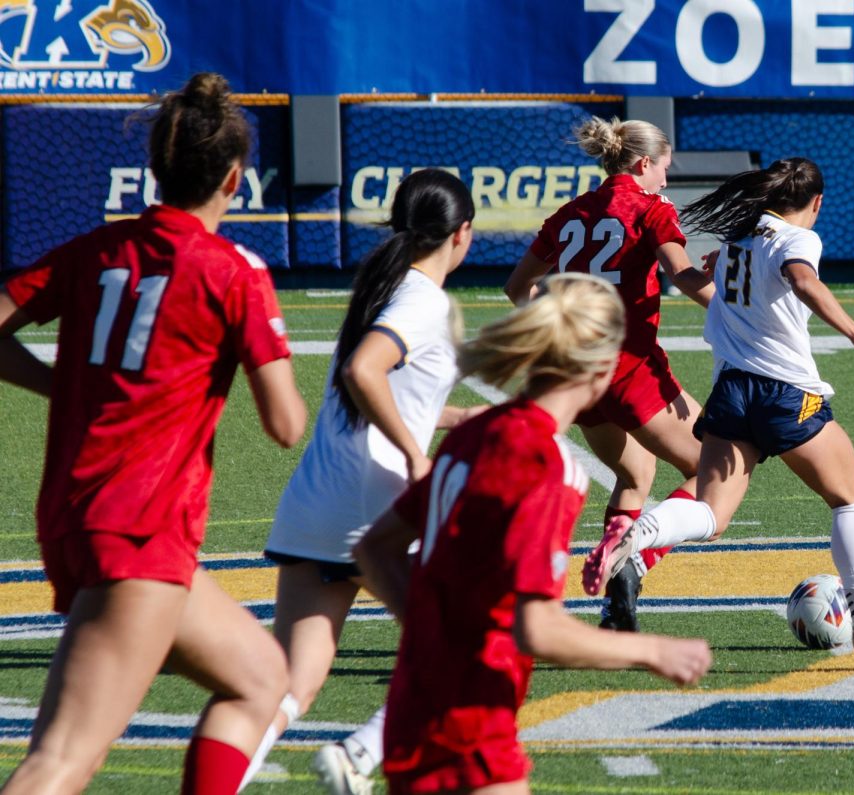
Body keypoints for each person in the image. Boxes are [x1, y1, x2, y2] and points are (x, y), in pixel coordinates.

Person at [0, 73, 307, 794]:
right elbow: (286, 424)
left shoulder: (95, 250)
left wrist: (61, 383)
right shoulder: (233, 272)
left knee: (261, 679)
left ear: (156, 170)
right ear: (237, 178)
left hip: (92, 521)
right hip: (139, 530)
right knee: (64, 758)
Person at [354, 272, 712, 795]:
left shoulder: (478, 431)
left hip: (416, 706)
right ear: (602, 366)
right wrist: (653, 653)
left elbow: (374, 548)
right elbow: (538, 630)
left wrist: (437, 635)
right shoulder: (548, 464)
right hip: (472, 729)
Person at [582, 158, 854, 656]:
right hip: (785, 393)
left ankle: (644, 532)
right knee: (849, 498)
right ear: (817, 203)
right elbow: (803, 280)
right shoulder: (797, 238)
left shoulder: (741, 234)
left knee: (711, 515)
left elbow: (720, 270)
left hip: (731, 393)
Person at [240, 170, 481, 795]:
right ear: (463, 235)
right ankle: (359, 756)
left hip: (318, 501)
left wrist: (451, 419)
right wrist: (416, 454)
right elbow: (363, 371)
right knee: (464, 645)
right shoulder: (424, 299)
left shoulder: (383, 284)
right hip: (378, 503)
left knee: (293, 682)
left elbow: (387, 388)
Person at [504, 116, 713, 633]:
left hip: (576, 370)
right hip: (629, 370)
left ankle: (617, 608)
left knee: (634, 477)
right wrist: (731, 302)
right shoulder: (651, 207)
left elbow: (517, 288)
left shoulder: (573, 211)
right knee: (718, 471)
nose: (667, 179)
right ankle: (635, 557)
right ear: (643, 164)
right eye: (664, 168)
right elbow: (681, 276)